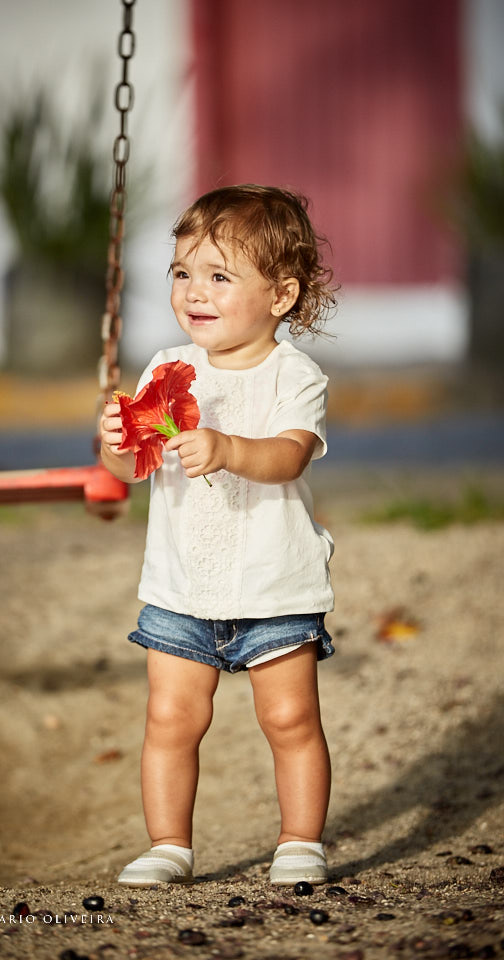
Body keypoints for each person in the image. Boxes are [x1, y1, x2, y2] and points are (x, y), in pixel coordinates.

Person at [100, 184, 337, 887]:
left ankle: (300, 840)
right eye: (182, 272)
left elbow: (289, 455)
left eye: (219, 276)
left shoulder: (295, 375)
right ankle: (170, 844)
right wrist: (113, 442)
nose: (194, 291)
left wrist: (229, 448)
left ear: (281, 295)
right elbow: (130, 468)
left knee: (289, 718)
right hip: (181, 584)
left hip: (274, 583)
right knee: (171, 718)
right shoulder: (167, 367)